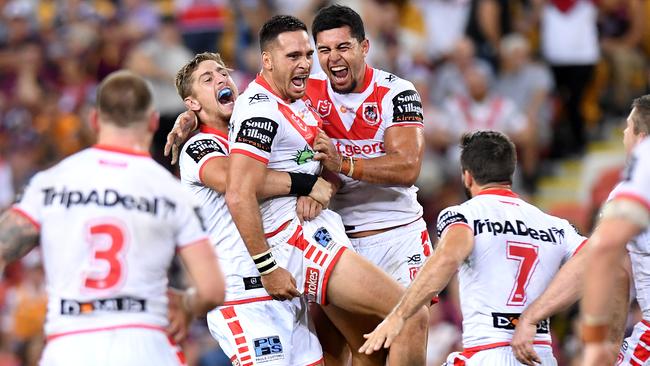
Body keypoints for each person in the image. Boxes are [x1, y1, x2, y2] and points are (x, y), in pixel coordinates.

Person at [226, 15, 427, 365]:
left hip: (387, 234)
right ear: (268, 61)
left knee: (368, 352)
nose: (310, 63)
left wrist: (325, 178)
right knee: (408, 318)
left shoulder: (306, 98)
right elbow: (241, 187)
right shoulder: (273, 104)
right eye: (314, 52)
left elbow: (406, 167)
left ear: (365, 47)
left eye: (308, 54)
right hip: (304, 241)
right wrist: (267, 266)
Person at [0, 70, 225, 365]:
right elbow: (212, 289)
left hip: (70, 344)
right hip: (145, 342)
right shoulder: (170, 190)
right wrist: (185, 303)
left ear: (94, 120)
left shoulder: (49, 183)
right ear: (153, 121)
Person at [360, 130, 588, 365]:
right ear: (510, 173)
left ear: (467, 177)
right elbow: (594, 262)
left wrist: (398, 315)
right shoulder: (556, 226)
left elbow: (449, 257)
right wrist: (532, 317)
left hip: (486, 353)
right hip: (540, 356)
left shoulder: (464, 215)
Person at [174, 52, 333, 365]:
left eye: (223, 73)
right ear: (192, 103)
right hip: (243, 299)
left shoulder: (255, 139)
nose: (220, 79)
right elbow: (239, 182)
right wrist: (305, 184)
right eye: (208, 79)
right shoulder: (198, 147)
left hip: (285, 289)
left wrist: (318, 163)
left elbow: (302, 156)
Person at [308, 4, 433, 289]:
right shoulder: (308, 93)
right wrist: (196, 113)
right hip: (339, 241)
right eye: (324, 50)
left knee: (406, 330)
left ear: (364, 47)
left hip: (398, 237)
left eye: (343, 47)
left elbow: (407, 167)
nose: (334, 58)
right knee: (336, 335)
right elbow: (256, 104)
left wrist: (343, 165)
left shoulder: (397, 91)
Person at [580, 96, 650, 366]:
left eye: (627, 127)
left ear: (641, 139)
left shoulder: (636, 179)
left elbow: (606, 254)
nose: (623, 133)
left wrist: (598, 337)